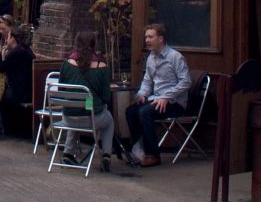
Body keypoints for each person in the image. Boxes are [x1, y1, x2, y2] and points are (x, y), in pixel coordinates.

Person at [124, 22, 191, 167]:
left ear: (160, 39)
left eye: (150, 37)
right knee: (131, 111)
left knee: (145, 112)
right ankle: (138, 150)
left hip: (175, 103)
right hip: (156, 99)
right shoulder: (151, 58)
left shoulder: (175, 57)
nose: (147, 40)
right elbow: (147, 81)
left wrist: (167, 96)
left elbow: (186, 82)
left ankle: (153, 155)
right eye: (146, 37)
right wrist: (142, 94)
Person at [58, 31, 116, 172]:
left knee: (76, 108)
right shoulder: (101, 67)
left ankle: (68, 152)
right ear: (94, 45)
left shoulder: (67, 64)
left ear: (75, 44)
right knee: (109, 121)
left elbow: (61, 88)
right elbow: (106, 97)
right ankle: (106, 154)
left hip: (68, 118)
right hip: (92, 119)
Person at [0, 26, 35, 139]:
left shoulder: (17, 53)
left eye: (8, 37)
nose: (7, 39)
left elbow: (0, 67)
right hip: (26, 90)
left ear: (13, 38)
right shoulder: (25, 51)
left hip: (19, 93)